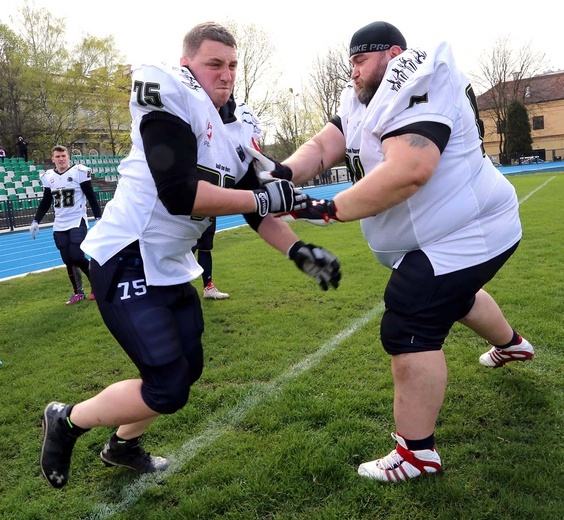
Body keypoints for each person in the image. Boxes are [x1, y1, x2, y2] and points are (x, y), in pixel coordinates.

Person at [39, 22, 341, 489]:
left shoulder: (238, 126)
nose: (226, 74)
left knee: (188, 368)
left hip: (168, 260)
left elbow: (256, 205)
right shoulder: (170, 94)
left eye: (232, 65)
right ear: (188, 66)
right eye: (214, 63)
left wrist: (298, 249)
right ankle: (67, 420)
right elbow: (181, 194)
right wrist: (265, 200)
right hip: (127, 253)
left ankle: (122, 446)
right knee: (167, 386)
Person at [250, 21, 535, 482]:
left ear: (393, 54)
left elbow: (410, 170)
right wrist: (283, 171)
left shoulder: (420, 77)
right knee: (453, 297)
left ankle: (417, 454)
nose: (354, 73)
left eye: (360, 61)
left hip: (470, 229)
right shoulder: (364, 96)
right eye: (351, 64)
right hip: (445, 234)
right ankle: (512, 345)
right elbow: (327, 144)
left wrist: (325, 209)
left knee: (410, 318)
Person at [30, 145, 101, 304]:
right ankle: (78, 292)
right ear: (52, 158)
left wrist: (98, 217)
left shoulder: (79, 172)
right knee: (68, 259)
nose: (61, 159)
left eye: (63, 156)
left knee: (77, 255)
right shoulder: (48, 176)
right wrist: (36, 220)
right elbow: (46, 200)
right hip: (60, 223)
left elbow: (91, 196)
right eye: (58, 156)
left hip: (77, 220)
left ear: (68, 157)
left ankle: (97, 284)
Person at [192, 218, 230, 299]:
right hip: (189, 215)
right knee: (187, 249)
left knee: (205, 247)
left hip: (208, 214)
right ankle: (174, 288)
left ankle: (208, 287)